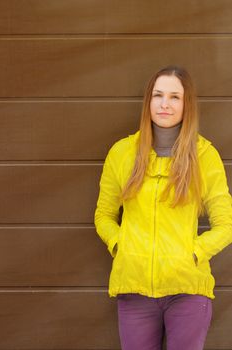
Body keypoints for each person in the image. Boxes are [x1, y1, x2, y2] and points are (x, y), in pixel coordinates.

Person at [94, 65, 232, 350]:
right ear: (149, 101)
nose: (165, 104)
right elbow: (104, 215)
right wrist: (120, 245)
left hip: (187, 291)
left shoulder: (204, 155)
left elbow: (226, 224)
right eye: (158, 95)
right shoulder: (122, 153)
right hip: (134, 291)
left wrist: (193, 253)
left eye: (174, 97)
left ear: (186, 104)